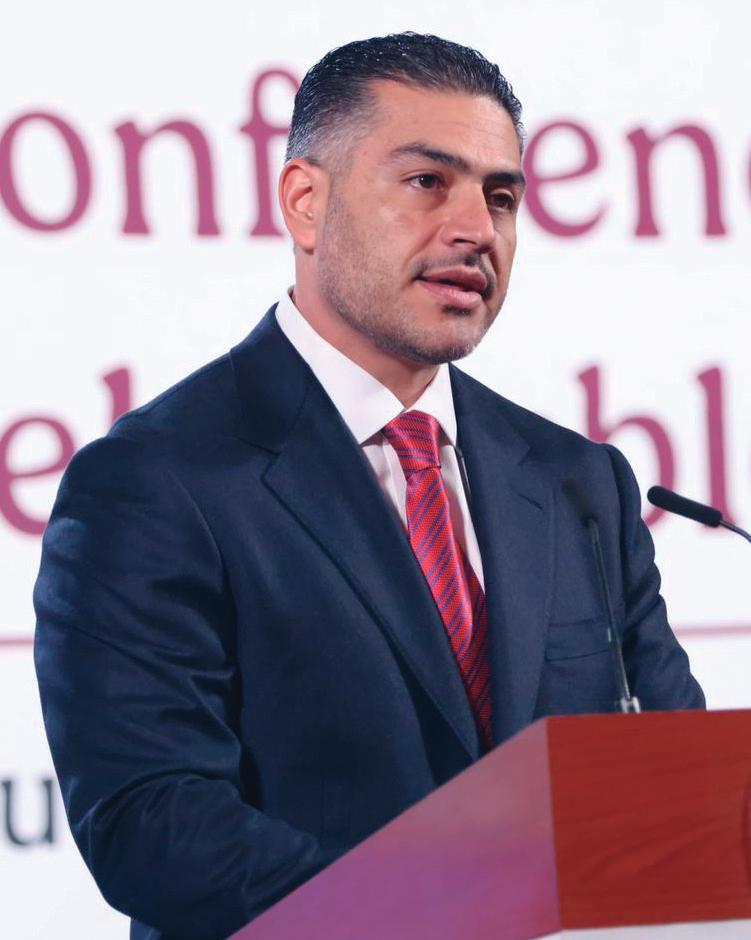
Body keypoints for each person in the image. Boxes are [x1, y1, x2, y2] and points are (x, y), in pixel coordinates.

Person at [33, 32, 704, 940]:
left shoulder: (578, 482)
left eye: (500, 197)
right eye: (427, 181)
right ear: (304, 203)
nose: (476, 229)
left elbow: (670, 788)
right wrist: (457, 909)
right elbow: (153, 827)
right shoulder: (156, 481)